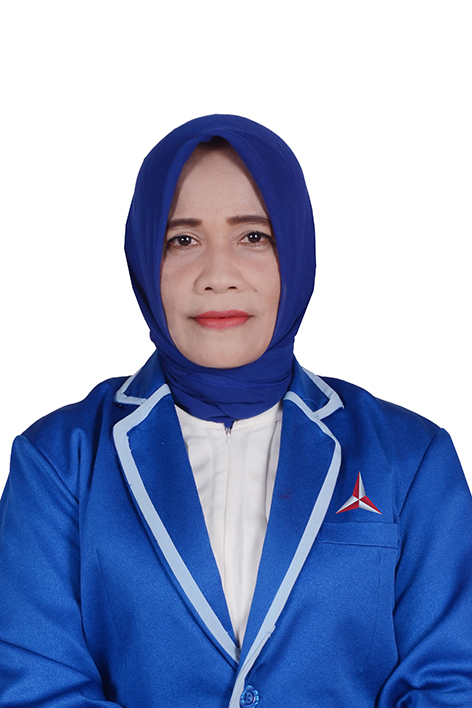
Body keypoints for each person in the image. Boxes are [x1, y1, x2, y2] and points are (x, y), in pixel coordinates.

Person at [0, 114, 471, 707]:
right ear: (144, 260)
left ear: (295, 251)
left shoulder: (410, 457)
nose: (218, 277)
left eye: (253, 237)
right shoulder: (59, 461)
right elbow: (37, 686)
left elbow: (451, 683)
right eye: (182, 240)